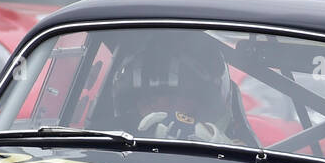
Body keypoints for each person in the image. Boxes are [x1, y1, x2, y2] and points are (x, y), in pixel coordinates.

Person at [110, 32, 256, 145]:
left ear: (204, 100)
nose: (160, 105)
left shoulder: (236, 144)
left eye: (173, 96)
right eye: (147, 99)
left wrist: (212, 140)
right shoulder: (106, 144)